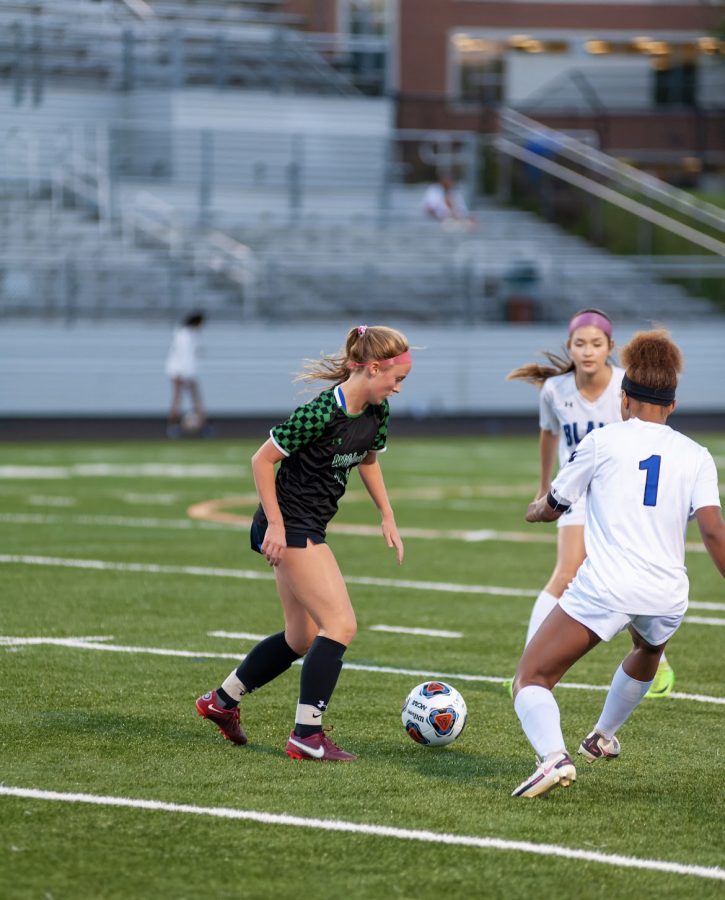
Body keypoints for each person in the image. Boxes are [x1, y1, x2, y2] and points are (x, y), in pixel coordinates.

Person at [511, 329, 725, 798]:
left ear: (624, 399)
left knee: (531, 678)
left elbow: (554, 505)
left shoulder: (603, 441)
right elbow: (713, 531)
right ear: (672, 405)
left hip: (606, 588)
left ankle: (552, 757)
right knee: (648, 650)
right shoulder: (697, 456)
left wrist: (534, 510)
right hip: (668, 594)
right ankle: (602, 736)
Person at [195, 325, 412, 761]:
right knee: (341, 625)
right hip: (290, 525)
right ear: (372, 369)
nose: (398, 387)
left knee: (301, 636)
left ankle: (222, 701)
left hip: (308, 523)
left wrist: (386, 514)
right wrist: (275, 524)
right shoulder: (319, 412)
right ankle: (306, 735)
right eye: (397, 377)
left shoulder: (376, 411)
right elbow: (262, 459)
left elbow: (368, 458)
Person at [506, 308, 675, 698]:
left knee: (630, 576)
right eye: (580, 343)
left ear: (610, 348)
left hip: (621, 494)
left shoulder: (625, 384)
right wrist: (544, 485)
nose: (587, 350)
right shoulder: (555, 391)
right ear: (570, 347)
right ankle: (526, 666)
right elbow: (548, 435)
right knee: (566, 571)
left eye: (596, 344)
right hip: (575, 493)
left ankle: (656, 660)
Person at [165, 311, 206, 437]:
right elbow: (185, 357)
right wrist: (186, 376)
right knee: (183, 398)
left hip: (183, 371)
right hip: (181, 371)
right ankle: (174, 425)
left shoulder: (185, 334)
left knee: (184, 398)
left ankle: (195, 425)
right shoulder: (185, 335)